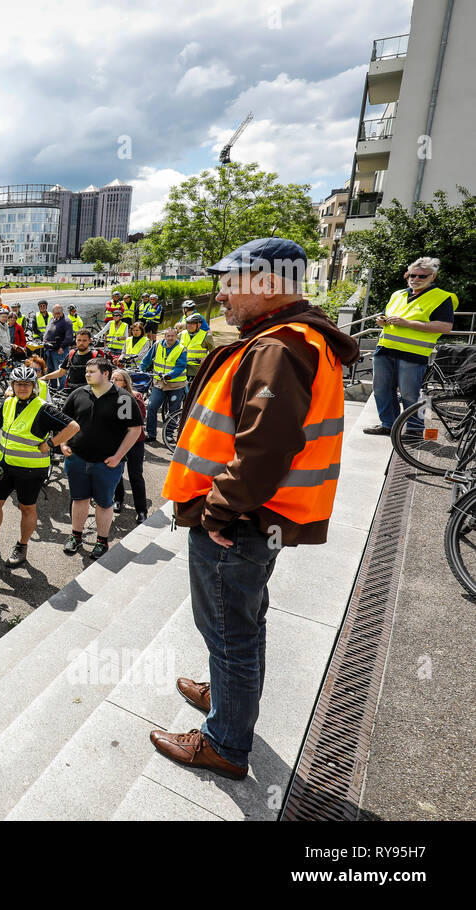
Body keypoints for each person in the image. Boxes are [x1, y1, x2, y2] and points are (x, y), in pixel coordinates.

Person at [154, 237, 358, 781]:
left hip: (237, 522)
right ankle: (227, 698)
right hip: (255, 519)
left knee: (229, 631)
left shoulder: (279, 347)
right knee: (240, 622)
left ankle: (223, 743)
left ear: (267, 283)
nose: (220, 293)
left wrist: (218, 513)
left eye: (231, 280)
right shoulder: (292, 337)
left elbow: (264, 450)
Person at [0, 365, 78, 567]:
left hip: (31, 470)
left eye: (27, 384)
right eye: (19, 384)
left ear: (33, 386)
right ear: (12, 385)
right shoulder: (8, 403)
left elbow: (73, 426)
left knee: (26, 508)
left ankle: (22, 546)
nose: (22, 388)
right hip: (5, 467)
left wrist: (50, 444)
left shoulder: (43, 408)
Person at [59, 358, 144, 559]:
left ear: (105, 373)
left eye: (91, 371)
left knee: (104, 503)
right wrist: (63, 444)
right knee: (79, 499)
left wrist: (118, 457)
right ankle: (76, 537)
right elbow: (63, 421)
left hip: (107, 464)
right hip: (77, 459)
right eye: (86, 371)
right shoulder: (79, 393)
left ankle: (101, 541)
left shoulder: (122, 398)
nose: (86, 374)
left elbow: (134, 429)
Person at [364, 256, 457, 435]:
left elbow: (445, 327)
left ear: (433, 277)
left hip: (413, 353)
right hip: (385, 350)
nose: (416, 279)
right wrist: (381, 321)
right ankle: (388, 425)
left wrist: (407, 323)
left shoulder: (442, 297)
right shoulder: (397, 294)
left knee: (411, 394)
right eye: (412, 275)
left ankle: (415, 429)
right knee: (381, 390)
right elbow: (386, 315)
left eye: (422, 276)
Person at [110, 369, 149, 522]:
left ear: (125, 382)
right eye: (111, 378)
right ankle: (118, 499)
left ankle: (141, 510)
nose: (113, 382)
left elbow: (139, 420)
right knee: (116, 473)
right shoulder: (108, 396)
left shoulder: (135, 397)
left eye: (117, 379)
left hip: (134, 442)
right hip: (115, 441)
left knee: (135, 475)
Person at [141, 324, 188, 442]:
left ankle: (169, 434)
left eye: (172, 336)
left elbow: (180, 366)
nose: (170, 338)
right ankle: (151, 434)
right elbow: (147, 359)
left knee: (174, 410)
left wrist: (170, 375)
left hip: (176, 384)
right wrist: (141, 369)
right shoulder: (157, 345)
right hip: (159, 383)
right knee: (151, 407)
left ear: (176, 336)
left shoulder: (181, 348)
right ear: (164, 336)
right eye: (168, 336)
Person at [179, 312, 214, 379]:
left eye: (192, 324)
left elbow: (213, 353)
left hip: (197, 370)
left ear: (199, 325)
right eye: (188, 323)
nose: (189, 326)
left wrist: (206, 358)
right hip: (182, 368)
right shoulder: (181, 335)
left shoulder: (206, 336)